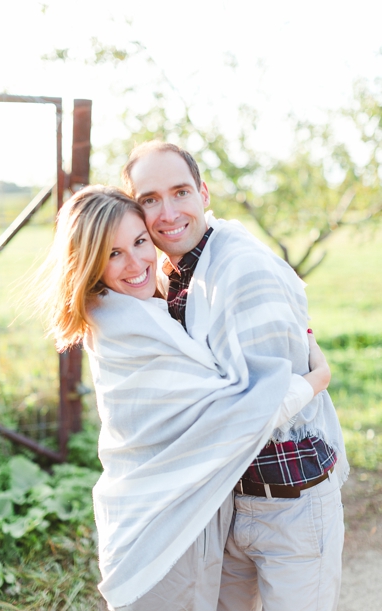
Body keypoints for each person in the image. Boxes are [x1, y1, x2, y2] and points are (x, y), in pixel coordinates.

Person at [38, 185, 332, 611]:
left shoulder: (145, 309)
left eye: (140, 242)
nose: (136, 262)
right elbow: (228, 416)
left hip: (175, 516)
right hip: (162, 529)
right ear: (87, 262)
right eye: (113, 253)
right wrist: (313, 381)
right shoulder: (127, 327)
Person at [121, 142, 347, 611]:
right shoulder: (178, 273)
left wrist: (316, 379)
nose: (167, 212)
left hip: (290, 502)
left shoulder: (240, 268)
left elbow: (258, 408)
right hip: (226, 504)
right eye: (150, 199)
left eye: (180, 192)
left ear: (204, 193)